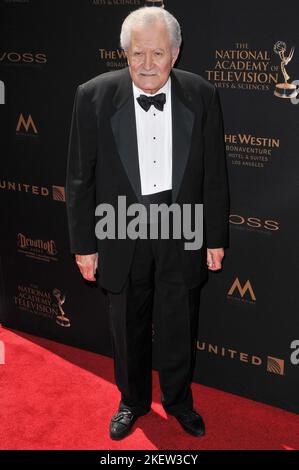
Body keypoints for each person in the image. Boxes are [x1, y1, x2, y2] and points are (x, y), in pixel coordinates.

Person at [66, 6, 229, 440]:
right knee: (127, 323)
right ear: (125, 53)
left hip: (182, 223)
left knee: (180, 321)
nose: (147, 64)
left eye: (158, 53)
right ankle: (132, 401)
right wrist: (85, 244)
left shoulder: (202, 94)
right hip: (120, 225)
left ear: (175, 53)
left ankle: (178, 401)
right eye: (137, 53)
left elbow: (214, 174)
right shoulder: (93, 95)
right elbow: (80, 178)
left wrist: (215, 236)